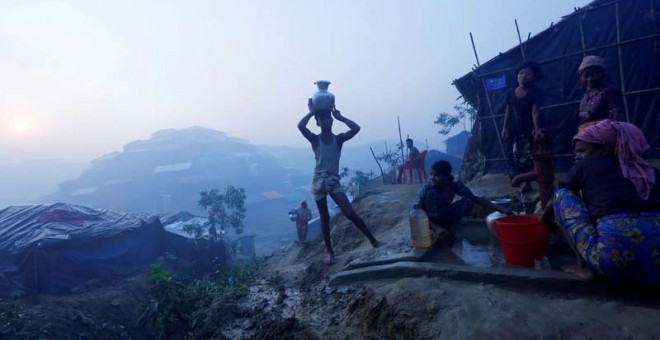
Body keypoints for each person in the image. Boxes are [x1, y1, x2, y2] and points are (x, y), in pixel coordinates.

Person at [543, 119, 660, 282]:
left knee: (562, 195)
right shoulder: (650, 171)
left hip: (614, 255)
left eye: (581, 151)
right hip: (656, 257)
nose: (577, 156)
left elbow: (557, 197)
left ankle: (583, 267)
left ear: (604, 149)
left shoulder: (586, 165)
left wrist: (545, 219)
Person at [298, 101, 382, 265]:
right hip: (319, 182)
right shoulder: (315, 139)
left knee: (349, 212)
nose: (327, 121)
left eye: (329, 118)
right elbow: (301, 126)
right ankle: (330, 252)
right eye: (323, 119)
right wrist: (312, 112)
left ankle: (373, 240)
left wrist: (340, 116)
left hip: (334, 180)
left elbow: (356, 128)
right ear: (318, 123)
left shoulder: (339, 139)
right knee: (325, 217)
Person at [419, 160, 513, 241]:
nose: (432, 178)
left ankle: (449, 226)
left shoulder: (453, 185)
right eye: (431, 174)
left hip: (445, 215)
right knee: (433, 196)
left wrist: (500, 209)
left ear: (446, 177)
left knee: (468, 201)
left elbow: (475, 198)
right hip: (429, 222)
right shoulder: (428, 190)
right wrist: (436, 228)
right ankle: (441, 228)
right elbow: (418, 214)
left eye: (436, 175)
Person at [501, 62, 544, 192]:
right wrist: (505, 127)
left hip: (529, 128)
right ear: (517, 75)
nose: (523, 76)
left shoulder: (535, 92)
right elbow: (508, 111)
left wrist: (537, 130)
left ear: (534, 77)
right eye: (521, 72)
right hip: (516, 129)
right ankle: (525, 182)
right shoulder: (510, 93)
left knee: (531, 155)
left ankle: (533, 182)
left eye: (528, 73)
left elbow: (535, 111)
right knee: (517, 156)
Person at [577, 55, 624, 130]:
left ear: (601, 74)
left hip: (605, 132)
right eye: (586, 75)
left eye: (593, 74)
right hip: (587, 132)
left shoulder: (610, 91)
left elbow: (616, 119)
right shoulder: (587, 95)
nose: (590, 79)